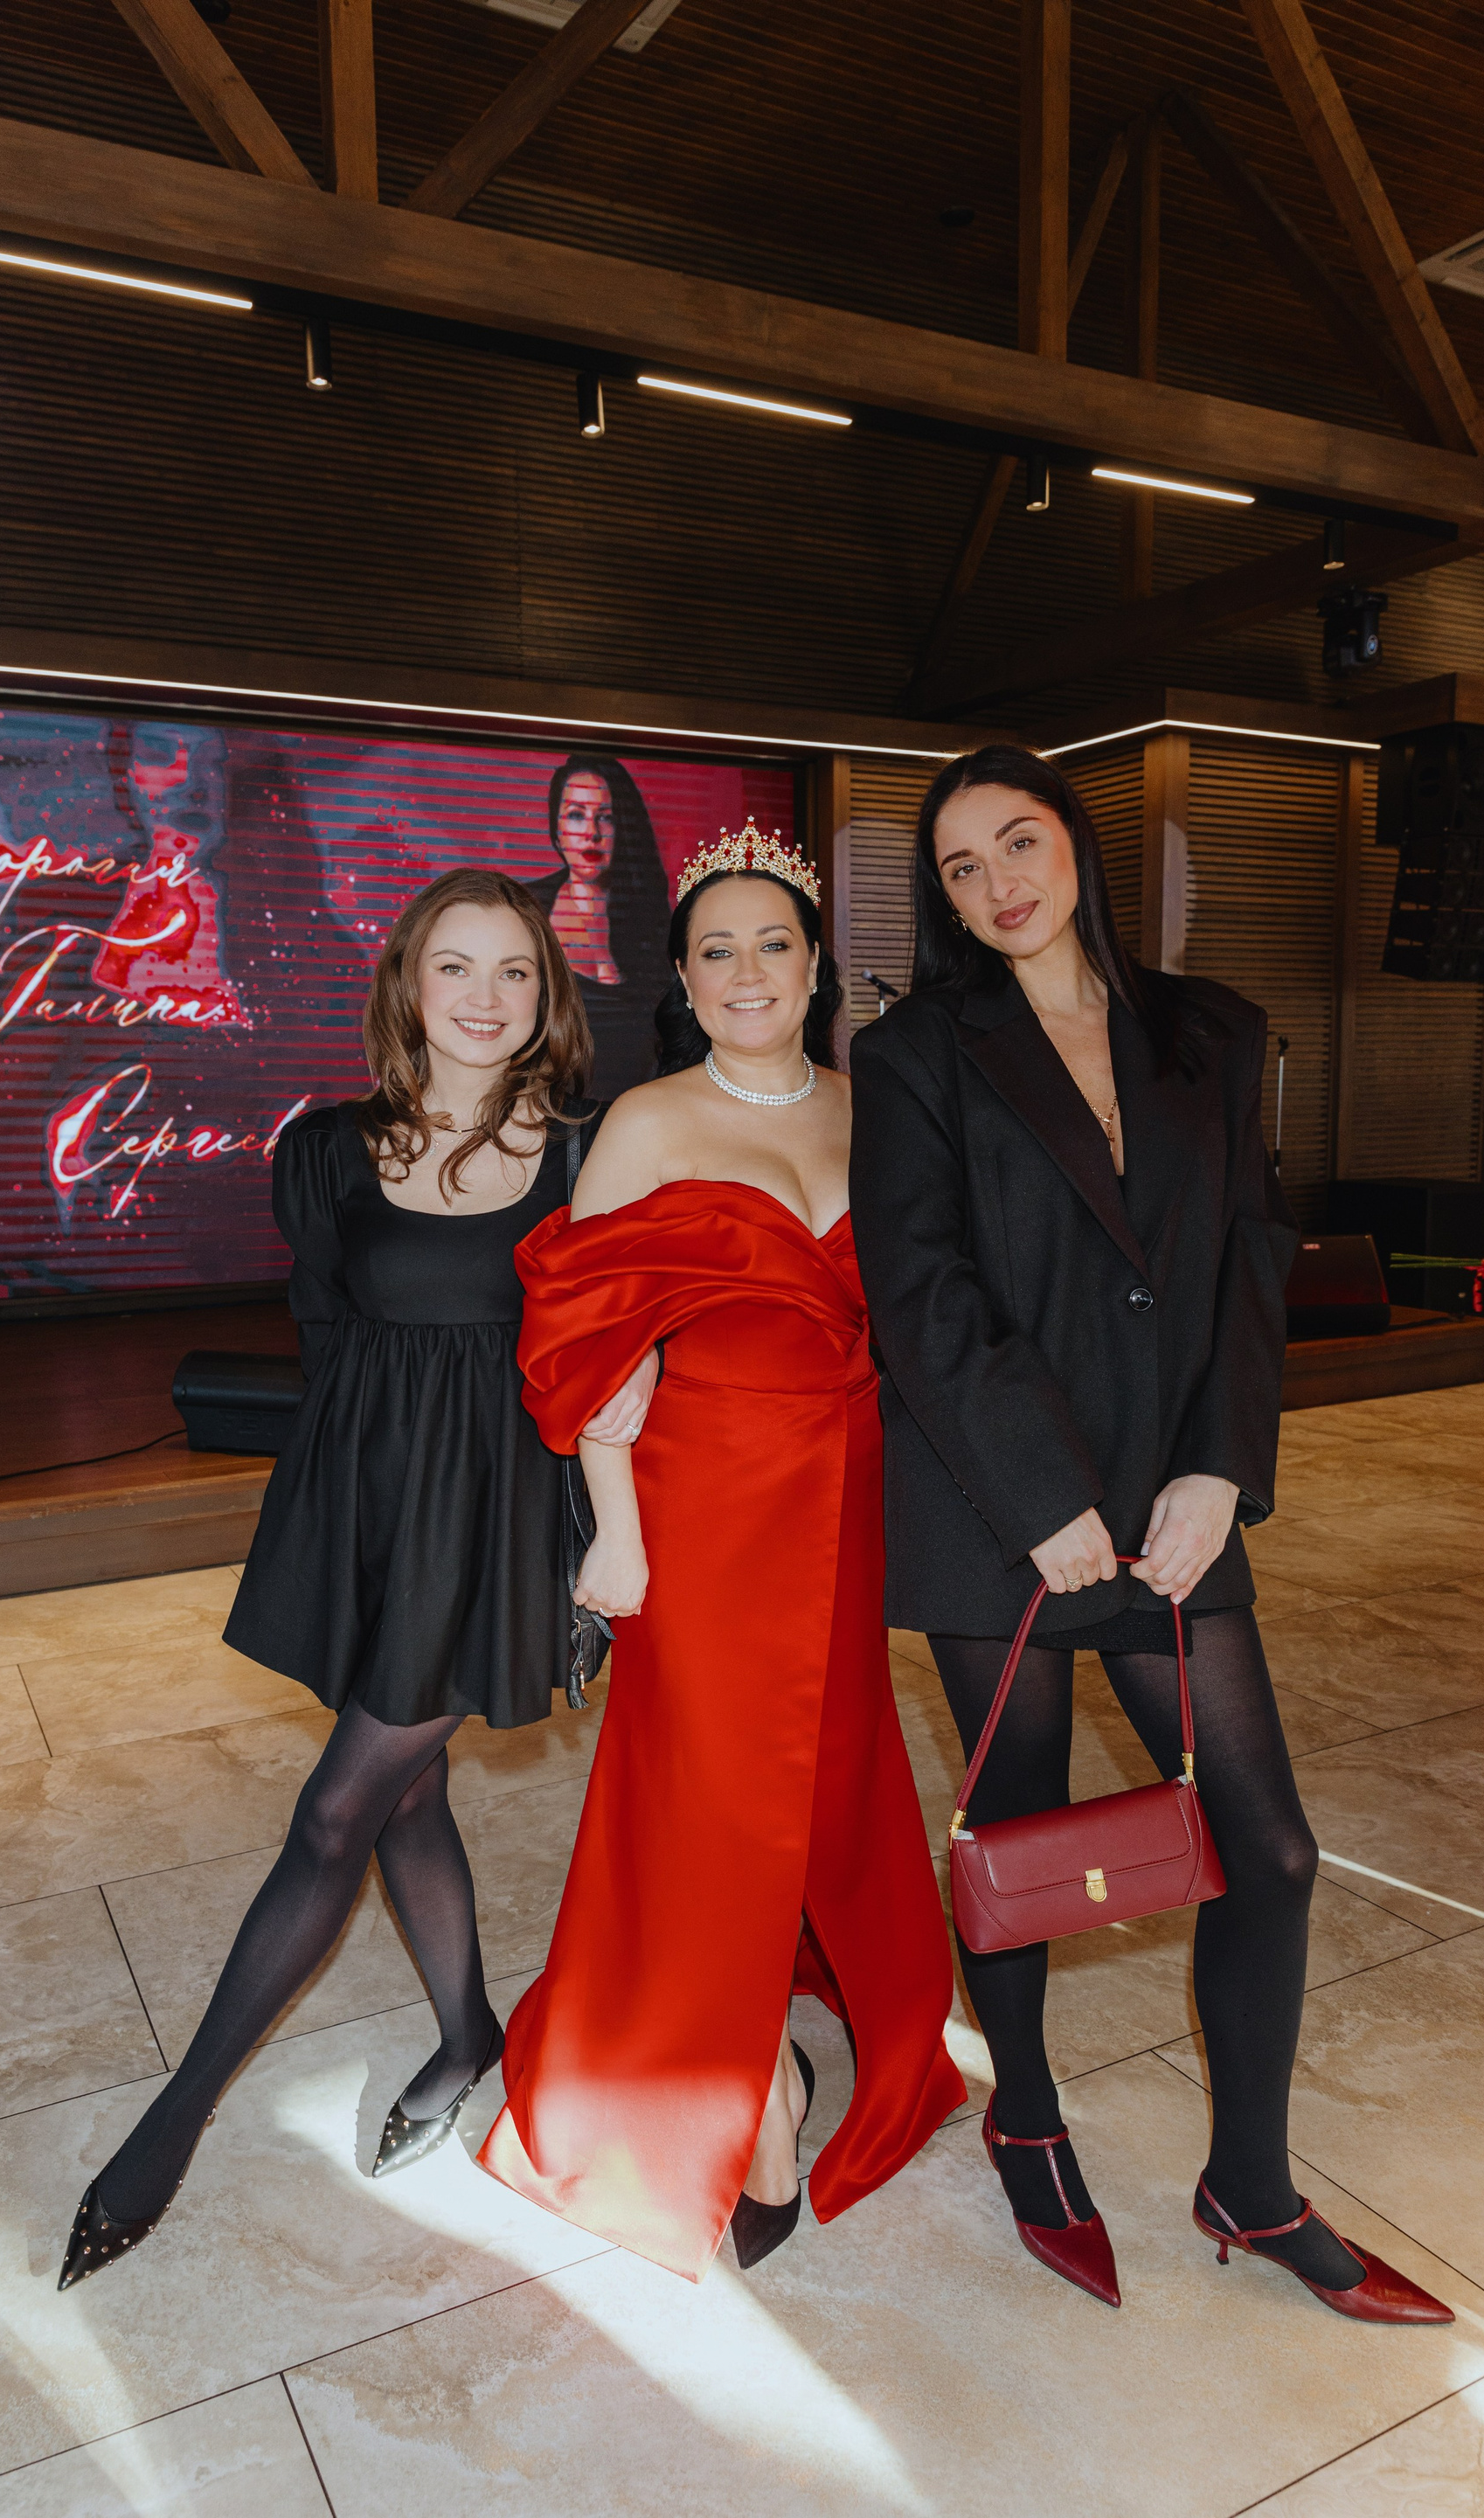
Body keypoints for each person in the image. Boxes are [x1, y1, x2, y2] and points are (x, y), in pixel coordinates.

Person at [849, 746, 1452, 2325]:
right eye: (962, 867)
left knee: (1272, 1849)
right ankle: (1030, 2118)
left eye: (1019, 841)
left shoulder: (1213, 1030)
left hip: (1178, 1502)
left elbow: (1252, 1257)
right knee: (1024, 1837)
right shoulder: (916, 1053)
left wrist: (1219, 1469)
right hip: (1002, 1507)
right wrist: (1044, 1498)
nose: (998, 883)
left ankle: (1250, 2183)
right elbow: (918, 1289)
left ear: (1077, 842)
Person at [58, 869, 655, 2289]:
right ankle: (467, 2036)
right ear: (407, 984)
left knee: (337, 1809)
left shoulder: (591, 1153)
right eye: (457, 966)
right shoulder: (327, 1151)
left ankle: (172, 2121)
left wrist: (604, 1526)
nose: (484, 997)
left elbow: (624, 1346)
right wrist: (336, 1527)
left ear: (547, 996)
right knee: (409, 1795)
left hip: (503, 1528)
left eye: (514, 970)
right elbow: (328, 1339)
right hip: (379, 1511)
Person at [478, 819, 966, 2280]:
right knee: (702, 1789)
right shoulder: (647, 1123)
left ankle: (797, 2005)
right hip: (701, 1504)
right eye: (715, 951)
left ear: (817, 968)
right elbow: (581, 1346)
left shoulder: (881, 1111)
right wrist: (617, 1534)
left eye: (773, 944)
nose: (746, 972)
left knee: (830, 1762)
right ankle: (748, 2091)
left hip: (852, 1497)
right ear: (682, 981)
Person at [528, 753, 671, 1098]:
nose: (591, 833)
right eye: (576, 815)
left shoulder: (655, 922)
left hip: (638, 1115)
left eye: (605, 817)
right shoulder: (525, 911)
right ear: (556, 829)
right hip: (541, 1113)